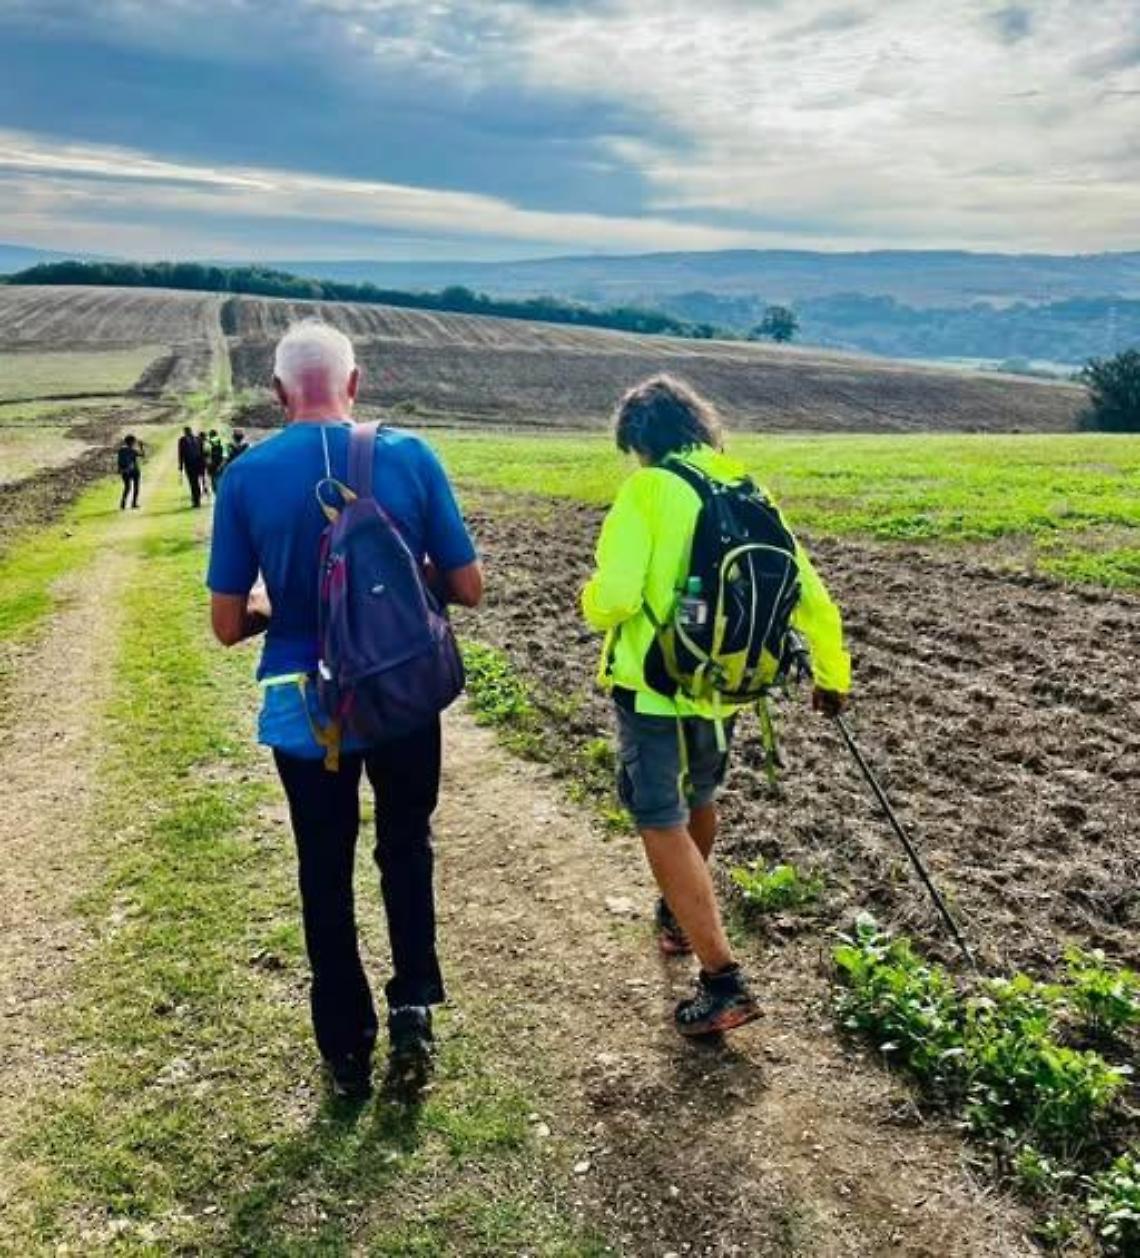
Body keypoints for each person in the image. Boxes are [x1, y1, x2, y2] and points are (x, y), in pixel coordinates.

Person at [207, 320, 483, 1100]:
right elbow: (468, 588)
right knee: (405, 845)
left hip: (306, 708)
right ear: (355, 385)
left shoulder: (247, 476)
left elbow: (228, 626)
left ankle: (345, 1046)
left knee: (323, 867)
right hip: (400, 696)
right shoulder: (409, 455)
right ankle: (414, 1009)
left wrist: (277, 602)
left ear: (276, 393)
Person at [581, 375, 851, 1038]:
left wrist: (591, 603)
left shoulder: (648, 489)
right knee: (701, 794)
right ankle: (679, 916)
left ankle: (723, 979)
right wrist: (831, 671)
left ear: (639, 441)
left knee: (657, 814)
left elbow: (614, 598)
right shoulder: (746, 486)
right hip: (726, 683)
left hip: (656, 684)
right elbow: (808, 592)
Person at [177, 425, 205, 507]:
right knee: (194, 483)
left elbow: (181, 453)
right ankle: (197, 500)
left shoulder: (186, 440)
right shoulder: (193, 439)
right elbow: (181, 453)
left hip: (194, 464)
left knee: (194, 483)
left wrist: (180, 465)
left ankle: (196, 500)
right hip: (193, 464)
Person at [116, 433, 144, 510]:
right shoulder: (133, 450)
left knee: (127, 487)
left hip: (124, 471)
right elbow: (142, 455)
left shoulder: (121, 450)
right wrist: (141, 446)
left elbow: (118, 461)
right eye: (134, 441)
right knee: (136, 487)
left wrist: (119, 469)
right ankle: (134, 503)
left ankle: (123, 503)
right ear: (132, 442)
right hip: (134, 470)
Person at [206, 429, 226, 494]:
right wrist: (221, 466)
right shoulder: (222, 443)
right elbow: (225, 457)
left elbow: (207, 457)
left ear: (210, 435)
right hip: (221, 467)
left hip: (213, 467)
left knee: (214, 484)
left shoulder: (208, 443)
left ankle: (217, 497)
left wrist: (208, 467)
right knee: (221, 483)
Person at [198, 431, 212, 500]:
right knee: (205, 477)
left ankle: (204, 490)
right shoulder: (208, 442)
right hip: (207, 461)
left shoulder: (201, 443)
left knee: (202, 477)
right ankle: (206, 490)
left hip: (202, 462)